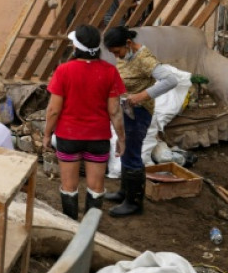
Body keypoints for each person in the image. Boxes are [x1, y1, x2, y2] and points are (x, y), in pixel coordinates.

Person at [43, 25, 127, 220]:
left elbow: (53, 110)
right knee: (96, 187)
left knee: (69, 186)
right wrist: (121, 138)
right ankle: (91, 228)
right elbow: (115, 111)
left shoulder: (63, 71)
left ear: (76, 47)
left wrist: (47, 134)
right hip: (98, 138)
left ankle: (71, 226)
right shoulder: (110, 71)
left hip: (68, 137)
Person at [103, 26, 179, 217]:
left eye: (117, 52)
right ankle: (124, 192)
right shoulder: (126, 55)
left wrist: (141, 96)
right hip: (127, 110)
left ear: (128, 43)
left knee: (132, 154)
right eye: (113, 53)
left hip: (139, 113)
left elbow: (171, 80)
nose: (117, 57)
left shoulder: (144, 59)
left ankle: (134, 203)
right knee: (126, 149)